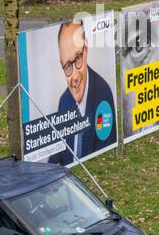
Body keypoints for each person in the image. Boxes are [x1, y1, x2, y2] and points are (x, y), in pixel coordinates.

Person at [49, 20, 116, 166]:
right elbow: (56, 155)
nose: (74, 76)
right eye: (67, 66)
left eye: (78, 58)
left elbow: (103, 159)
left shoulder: (102, 95)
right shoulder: (65, 100)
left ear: (86, 51)